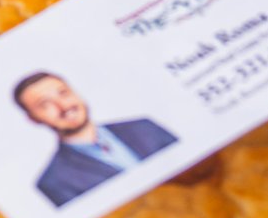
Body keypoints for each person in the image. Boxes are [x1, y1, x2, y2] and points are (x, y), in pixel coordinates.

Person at [13, 71, 178, 207]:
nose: (63, 106)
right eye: (45, 104)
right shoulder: (54, 182)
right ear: (33, 119)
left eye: (63, 93)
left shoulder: (144, 127)